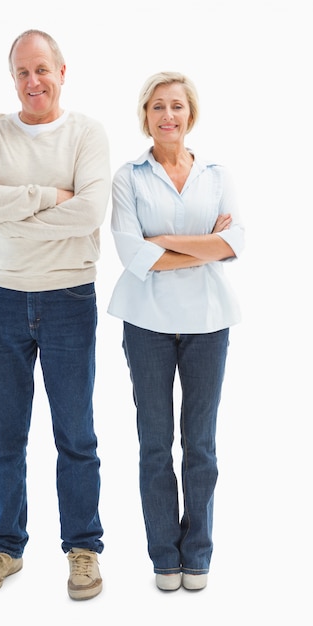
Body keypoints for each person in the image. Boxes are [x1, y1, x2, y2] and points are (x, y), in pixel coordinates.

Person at [0, 29, 110, 600]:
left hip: (70, 298)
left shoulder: (86, 134)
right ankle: (5, 548)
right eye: (22, 72)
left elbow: (91, 209)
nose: (32, 82)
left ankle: (83, 548)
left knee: (76, 434)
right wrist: (51, 196)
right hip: (0, 298)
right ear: (13, 78)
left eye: (42, 69)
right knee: (4, 435)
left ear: (62, 71)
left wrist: (10, 205)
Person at [108, 72, 244, 592]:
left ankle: (198, 553)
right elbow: (130, 254)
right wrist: (200, 243)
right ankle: (165, 557)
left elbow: (237, 241)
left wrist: (162, 241)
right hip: (148, 324)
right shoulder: (129, 177)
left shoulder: (215, 173)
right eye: (158, 107)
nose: (168, 116)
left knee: (202, 444)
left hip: (209, 322)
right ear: (145, 115)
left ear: (191, 115)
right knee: (154, 443)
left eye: (178, 107)